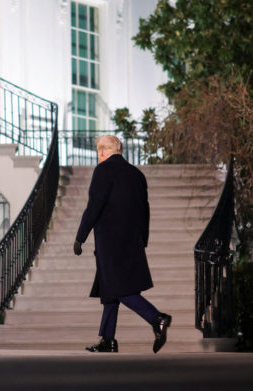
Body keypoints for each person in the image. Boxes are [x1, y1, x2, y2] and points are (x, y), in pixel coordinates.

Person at [73, 135, 172, 354]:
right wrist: (143, 239)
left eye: (99, 151)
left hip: (110, 241)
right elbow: (145, 209)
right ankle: (108, 340)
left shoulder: (103, 170)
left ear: (104, 151)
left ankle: (157, 318)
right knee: (110, 287)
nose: (99, 155)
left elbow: (94, 205)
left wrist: (80, 237)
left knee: (119, 288)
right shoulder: (137, 174)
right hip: (132, 240)